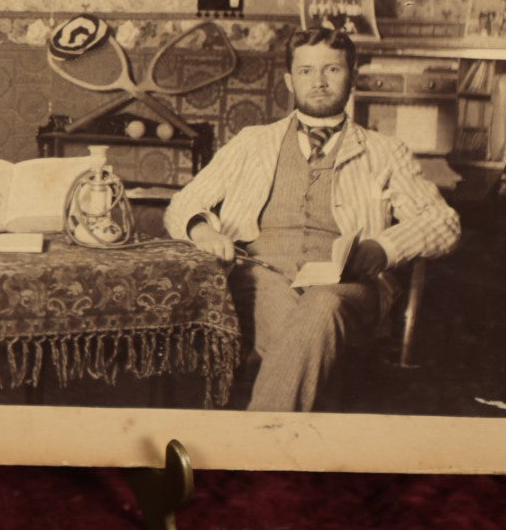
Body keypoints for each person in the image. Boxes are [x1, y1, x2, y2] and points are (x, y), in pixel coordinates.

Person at [164, 28, 460, 411]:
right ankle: (286, 440)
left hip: (348, 289)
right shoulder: (252, 141)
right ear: (290, 80)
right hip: (261, 275)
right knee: (297, 323)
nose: (318, 82)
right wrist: (201, 229)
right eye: (306, 71)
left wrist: (383, 248)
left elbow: (444, 222)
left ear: (353, 76)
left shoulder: (386, 152)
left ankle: (258, 444)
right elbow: (182, 204)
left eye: (332, 70)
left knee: (321, 306)